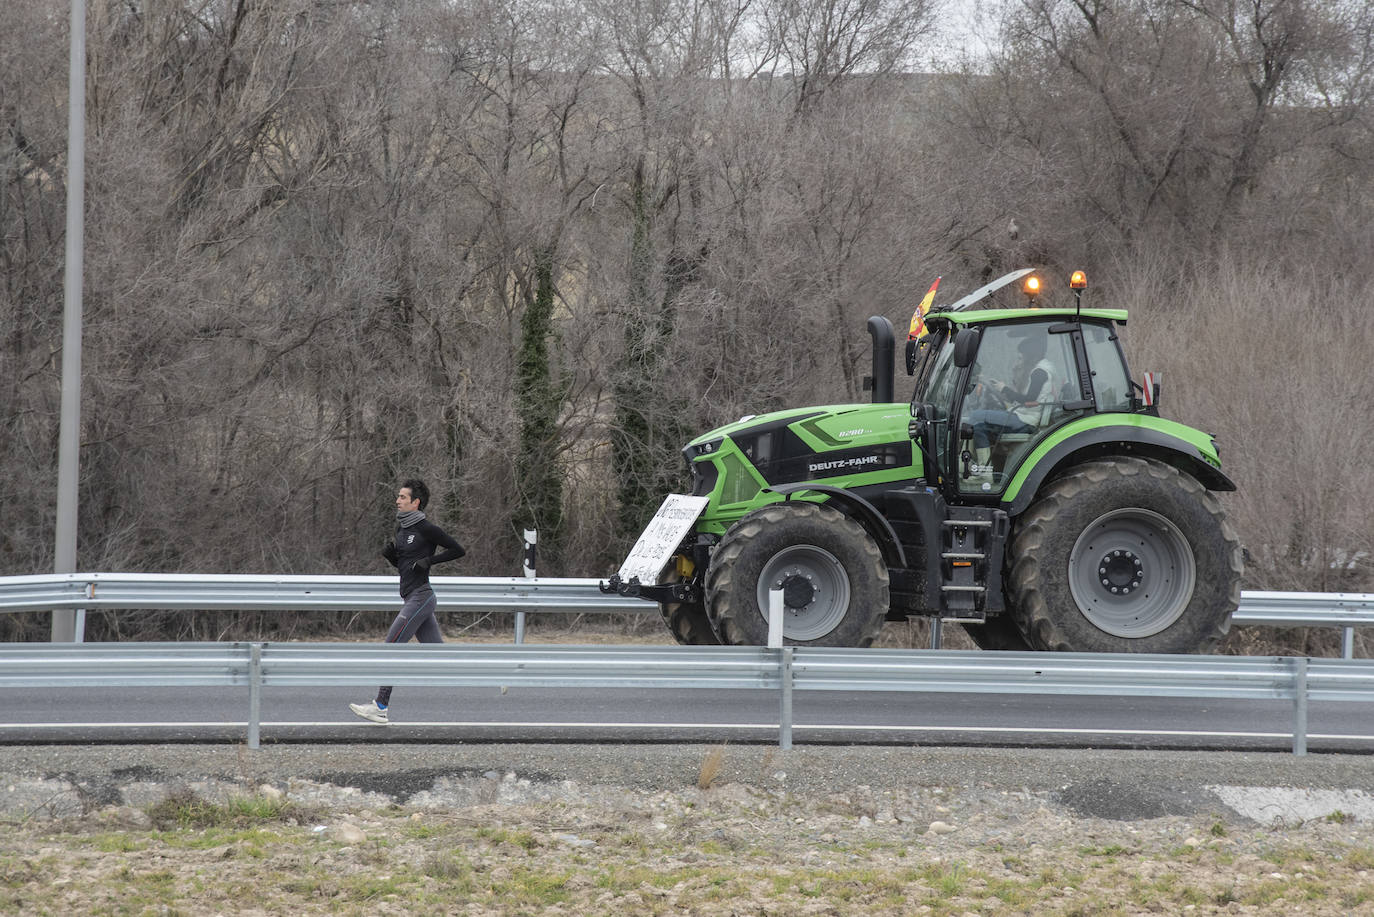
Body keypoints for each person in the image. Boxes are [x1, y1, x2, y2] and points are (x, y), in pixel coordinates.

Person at [349, 479, 465, 724]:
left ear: (416, 502)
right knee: (442, 659)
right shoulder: (402, 530)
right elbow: (406, 567)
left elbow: (457, 550)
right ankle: (498, 671)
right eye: (398, 496)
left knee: (391, 647)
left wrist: (429, 562)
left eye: (403, 497)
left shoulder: (427, 528)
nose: (397, 501)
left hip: (421, 597)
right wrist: (393, 559)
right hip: (411, 596)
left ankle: (380, 707)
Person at [967, 336, 1056, 474]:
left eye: (1022, 356)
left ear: (1030, 354)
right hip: (1026, 416)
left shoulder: (1039, 372)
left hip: (1026, 421)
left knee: (975, 416)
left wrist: (1004, 389)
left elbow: (1028, 399)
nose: (1021, 359)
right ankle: (983, 471)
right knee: (979, 427)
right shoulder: (1043, 369)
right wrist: (1002, 389)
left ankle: (980, 470)